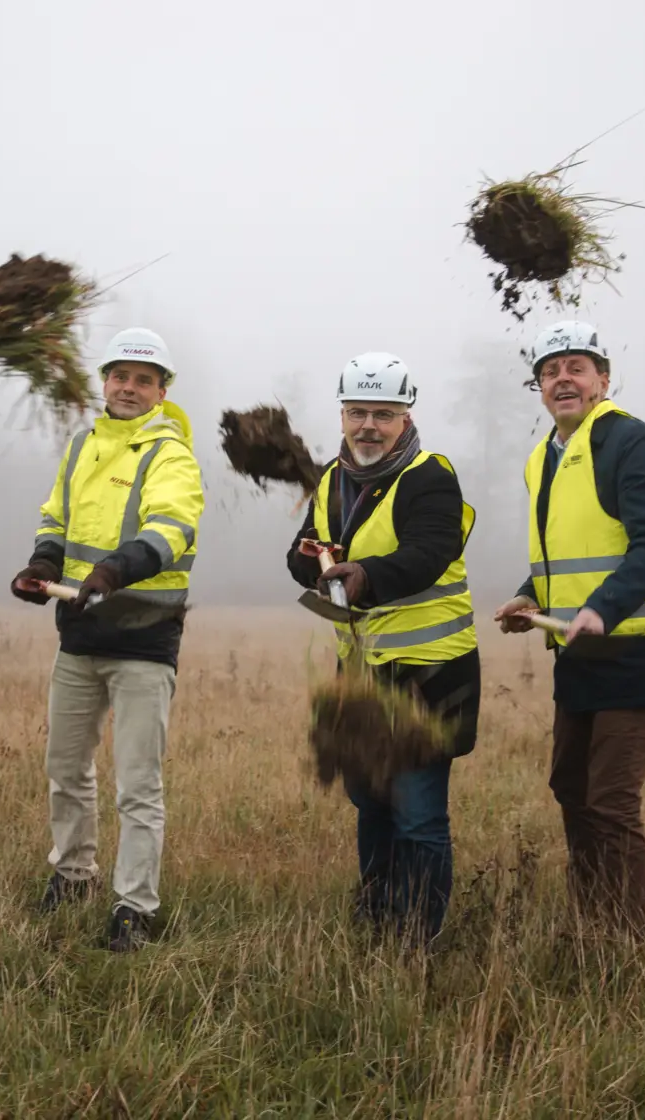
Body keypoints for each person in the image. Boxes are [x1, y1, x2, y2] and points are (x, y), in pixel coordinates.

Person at [492, 320, 645, 940]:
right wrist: (530, 598)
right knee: (571, 787)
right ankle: (592, 922)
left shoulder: (633, 443)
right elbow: (563, 557)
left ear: (604, 380)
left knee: (610, 801)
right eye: (550, 372)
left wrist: (605, 607)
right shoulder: (542, 459)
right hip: (578, 654)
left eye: (576, 368)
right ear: (539, 388)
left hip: (638, 651)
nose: (563, 380)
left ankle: (622, 942)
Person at [11, 327, 205, 953]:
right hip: (79, 636)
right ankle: (73, 875)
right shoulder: (82, 445)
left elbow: (170, 528)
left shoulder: (171, 454)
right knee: (65, 767)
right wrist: (43, 564)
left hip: (145, 641)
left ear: (162, 390)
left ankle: (133, 906)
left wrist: (115, 571)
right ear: (105, 381)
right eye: (119, 376)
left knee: (137, 784)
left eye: (143, 379)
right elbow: (56, 518)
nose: (128, 387)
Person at [285, 353, 481, 945]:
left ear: (406, 416)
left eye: (383, 414)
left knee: (418, 816)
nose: (368, 425)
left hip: (429, 676)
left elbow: (428, 553)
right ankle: (376, 918)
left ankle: (420, 938)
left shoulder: (430, 476)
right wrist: (310, 562)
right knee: (370, 802)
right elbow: (300, 553)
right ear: (342, 414)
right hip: (362, 679)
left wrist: (363, 574)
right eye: (357, 412)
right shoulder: (331, 479)